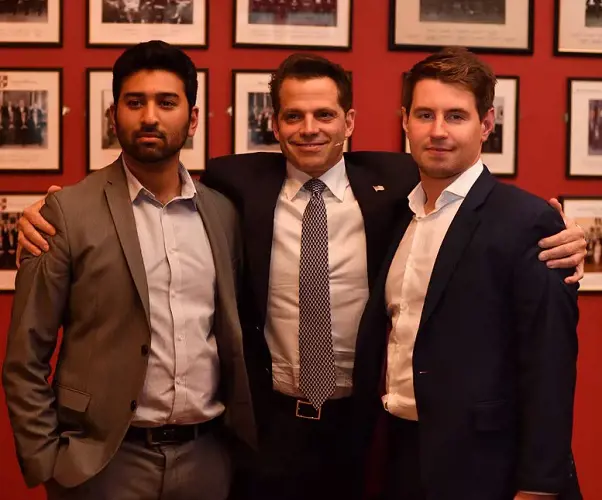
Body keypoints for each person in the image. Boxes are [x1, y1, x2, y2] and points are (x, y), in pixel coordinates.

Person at [16, 53, 587, 500]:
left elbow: (476, 204)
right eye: (293, 115)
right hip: (269, 428)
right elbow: (144, 175)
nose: (309, 128)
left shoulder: (393, 186)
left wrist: (556, 226)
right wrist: (50, 211)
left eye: (325, 115)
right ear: (273, 121)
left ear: (351, 122)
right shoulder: (235, 185)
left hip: (367, 429)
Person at [2, 40, 256, 500]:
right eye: (134, 102)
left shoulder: (223, 214)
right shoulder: (66, 212)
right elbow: (25, 358)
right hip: (102, 464)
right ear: (113, 114)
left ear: (193, 119)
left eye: (167, 102)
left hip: (207, 460)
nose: (150, 117)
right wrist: (50, 463)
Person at [352, 47, 582, 500]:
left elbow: (550, 364)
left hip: (487, 468)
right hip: (401, 453)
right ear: (405, 121)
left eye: (456, 116)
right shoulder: (396, 214)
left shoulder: (527, 222)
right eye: (424, 114)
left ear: (487, 124)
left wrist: (538, 486)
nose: (437, 131)